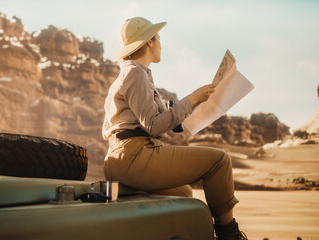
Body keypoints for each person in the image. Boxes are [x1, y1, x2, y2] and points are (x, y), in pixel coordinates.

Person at [102, 17, 248, 240]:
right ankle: (230, 235)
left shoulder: (128, 75)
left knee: (184, 194)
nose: (161, 43)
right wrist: (191, 99)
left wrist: (189, 108)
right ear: (149, 42)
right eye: (158, 38)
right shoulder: (135, 73)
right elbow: (152, 126)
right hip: (135, 155)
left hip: (122, 158)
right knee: (219, 161)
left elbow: (141, 124)